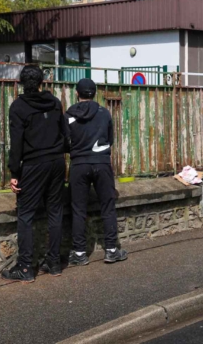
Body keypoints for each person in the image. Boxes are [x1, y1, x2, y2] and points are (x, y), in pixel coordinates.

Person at [1, 66, 69, 283]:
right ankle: (54, 262)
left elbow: (17, 142)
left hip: (34, 164)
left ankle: (25, 266)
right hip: (57, 161)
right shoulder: (55, 103)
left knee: (26, 214)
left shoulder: (19, 107)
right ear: (42, 81)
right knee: (55, 211)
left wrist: (14, 172)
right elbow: (65, 134)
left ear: (22, 82)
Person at [65, 78, 128, 265]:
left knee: (78, 209)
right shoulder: (104, 113)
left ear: (77, 93)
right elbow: (110, 139)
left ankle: (79, 253)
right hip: (101, 163)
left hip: (79, 164)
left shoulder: (68, 115)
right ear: (94, 93)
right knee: (107, 206)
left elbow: (65, 142)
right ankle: (111, 249)